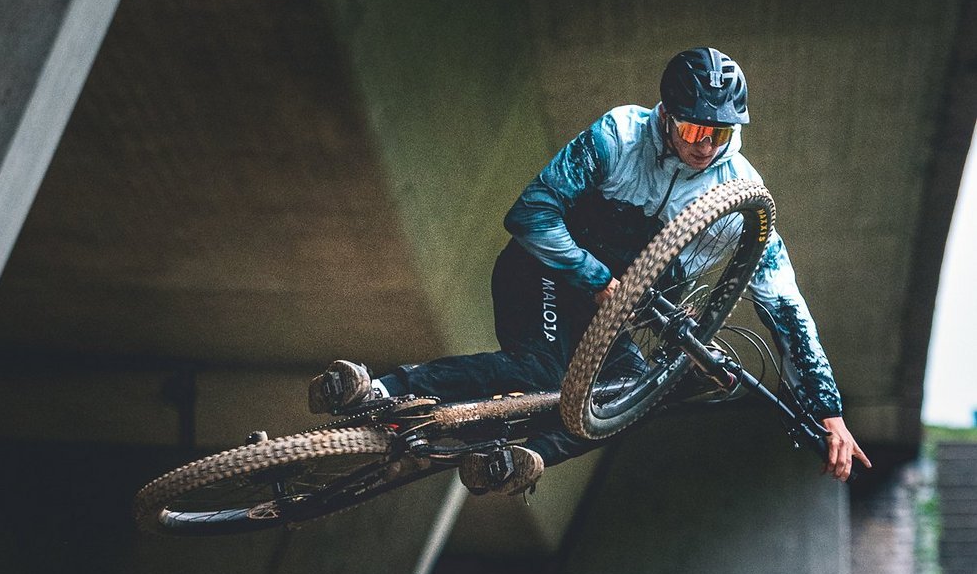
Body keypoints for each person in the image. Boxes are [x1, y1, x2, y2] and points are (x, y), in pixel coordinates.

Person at [309, 47, 870, 494]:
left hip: (610, 312)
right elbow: (528, 215)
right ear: (667, 116)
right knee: (544, 365)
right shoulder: (619, 136)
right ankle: (380, 388)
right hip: (543, 271)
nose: (705, 146)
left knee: (631, 397)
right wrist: (598, 279)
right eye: (695, 131)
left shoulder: (740, 196)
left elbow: (786, 305)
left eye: (718, 134)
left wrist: (827, 410)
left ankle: (514, 461)